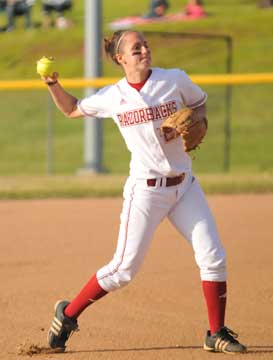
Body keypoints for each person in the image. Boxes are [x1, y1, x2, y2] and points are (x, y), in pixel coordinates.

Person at [40, 30, 247, 355]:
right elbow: (72, 109)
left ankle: (216, 332)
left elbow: (200, 102)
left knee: (213, 256)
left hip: (185, 186)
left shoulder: (174, 79)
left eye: (145, 45)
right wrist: (53, 85)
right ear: (120, 58)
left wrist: (198, 120)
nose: (144, 50)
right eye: (136, 48)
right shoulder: (113, 96)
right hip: (146, 192)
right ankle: (66, 315)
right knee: (123, 271)